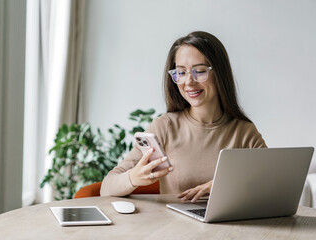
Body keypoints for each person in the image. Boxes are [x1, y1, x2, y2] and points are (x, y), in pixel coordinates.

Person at [100, 31, 267, 202]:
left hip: (230, 227)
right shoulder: (165, 126)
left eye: (199, 71)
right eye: (181, 73)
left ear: (220, 74)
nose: (189, 82)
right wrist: (133, 178)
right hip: (175, 227)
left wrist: (225, 185)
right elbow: (107, 187)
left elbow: (272, 186)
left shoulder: (244, 133)